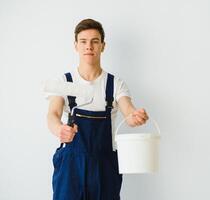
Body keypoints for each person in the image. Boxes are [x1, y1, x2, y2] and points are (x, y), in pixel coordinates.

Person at [46, 18, 149, 200]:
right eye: (83, 41)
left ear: (103, 46)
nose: (89, 46)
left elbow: (129, 112)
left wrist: (136, 116)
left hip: (104, 168)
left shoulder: (115, 84)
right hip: (70, 168)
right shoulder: (63, 82)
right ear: (76, 46)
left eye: (95, 41)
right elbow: (53, 115)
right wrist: (59, 129)